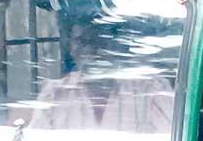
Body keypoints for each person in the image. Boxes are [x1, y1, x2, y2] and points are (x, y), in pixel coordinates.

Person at [33, 15, 176, 134]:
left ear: (116, 45)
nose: (91, 49)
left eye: (100, 40)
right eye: (82, 41)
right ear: (71, 48)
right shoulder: (53, 94)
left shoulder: (153, 90)